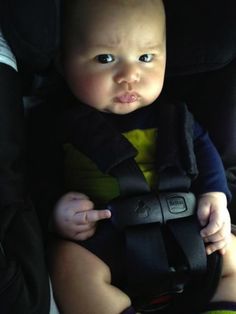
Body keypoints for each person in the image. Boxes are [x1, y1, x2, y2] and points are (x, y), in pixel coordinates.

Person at [46, 0, 236, 313]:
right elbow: (37, 177)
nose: (130, 75)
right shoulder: (57, 126)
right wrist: (57, 212)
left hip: (188, 232)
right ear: (62, 61)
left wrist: (215, 195)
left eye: (146, 57)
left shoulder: (176, 116)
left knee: (230, 250)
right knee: (65, 264)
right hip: (106, 241)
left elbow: (206, 152)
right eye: (105, 58)